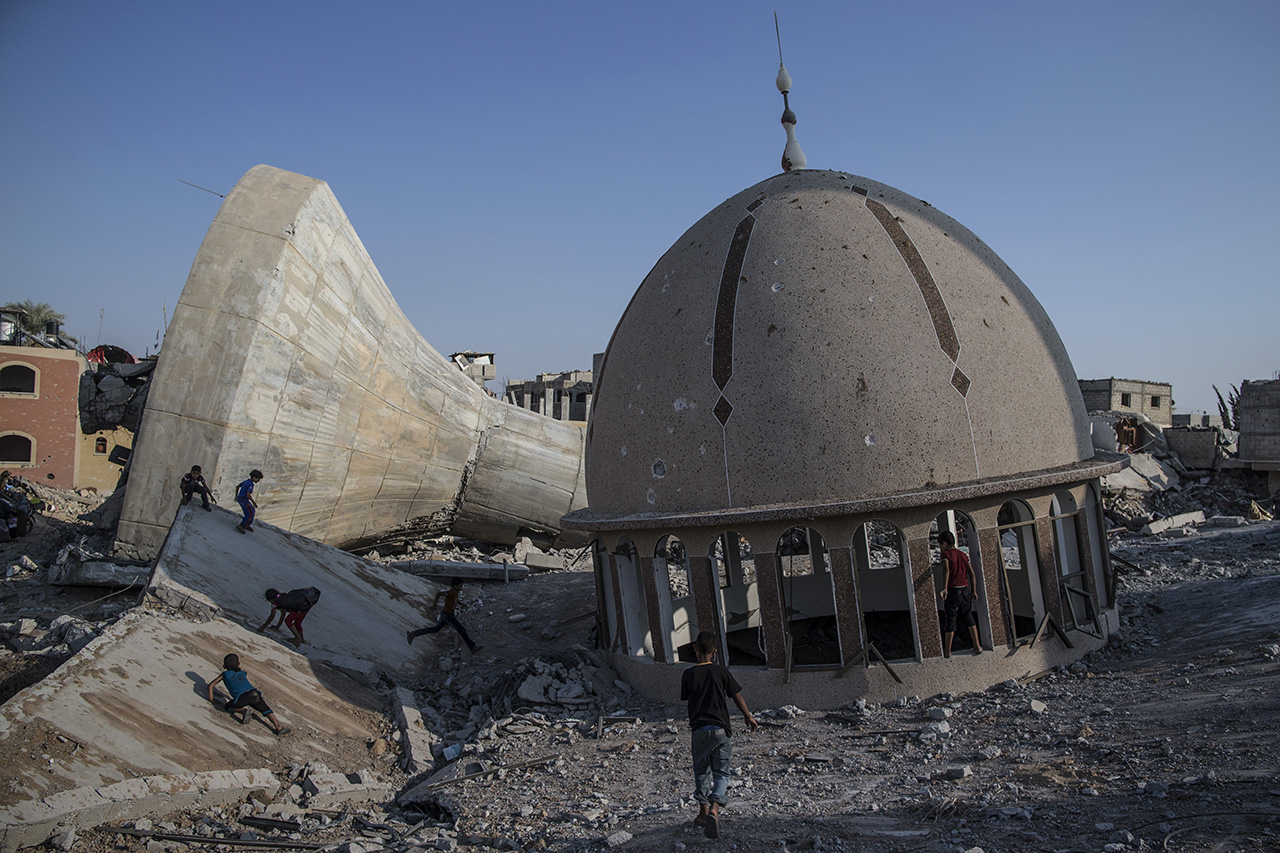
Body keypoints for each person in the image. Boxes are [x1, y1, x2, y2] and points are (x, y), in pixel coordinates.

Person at [680, 629, 758, 839]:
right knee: (722, 772)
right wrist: (748, 716)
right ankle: (715, 807)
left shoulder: (688, 674)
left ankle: (703, 813)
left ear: (695, 649)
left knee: (701, 771)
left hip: (699, 730)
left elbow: (686, 697)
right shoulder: (721, 672)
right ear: (714, 652)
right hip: (721, 730)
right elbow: (736, 695)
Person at [206, 653, 289, 735]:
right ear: (238, 664)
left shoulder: (224, 675)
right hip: (254, 693)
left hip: (242, 697)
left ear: (224, 666)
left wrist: (212, 700)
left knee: (228, 706)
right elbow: (242, 673)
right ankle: (278, 727)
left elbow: (211, 685)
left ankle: (243, 711)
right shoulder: (243, 672)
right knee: (266, 709)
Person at [407, 577, 481, 653]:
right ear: (455, 585)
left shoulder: (455, 592)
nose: (461, 587)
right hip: (448, 616)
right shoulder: (450, 592)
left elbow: (455, 600)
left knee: (436, 629)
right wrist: (434, 605)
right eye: (460, 585)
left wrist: (461, 604)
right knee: (461, 629)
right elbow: (438, 594)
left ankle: (414, 633)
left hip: (445, 614)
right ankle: (472, 647)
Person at [939, 530, 983, 657]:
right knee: (968, 617)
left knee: (950, 620)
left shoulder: (946, 555)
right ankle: (977, 646)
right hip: (965, 590)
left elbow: (946, 569)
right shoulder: (963, 555)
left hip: (953, 591)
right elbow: (972, 573)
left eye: (941, 545)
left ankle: (947, 652)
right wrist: (974, 591)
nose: (941, 548)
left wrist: (945, 588)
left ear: (945, 543)